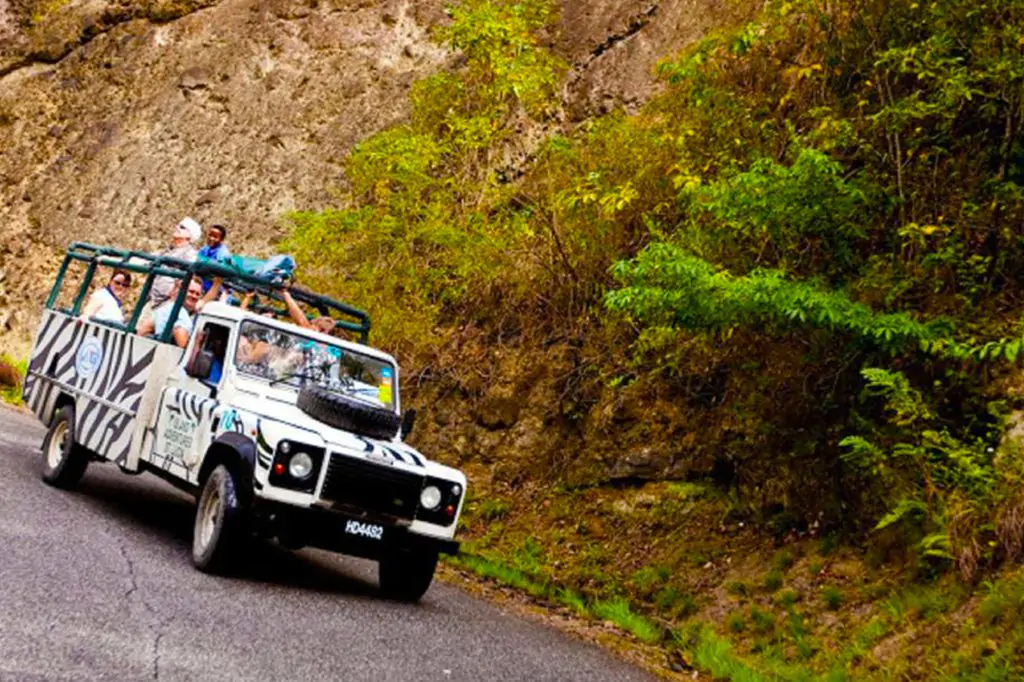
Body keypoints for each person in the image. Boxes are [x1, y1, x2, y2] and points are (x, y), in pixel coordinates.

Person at [138, 277, 221, 348]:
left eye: (197, 294)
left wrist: (217, 284)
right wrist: (197, 341)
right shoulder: (180, 314)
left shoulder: (171, 307)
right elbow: (183, 343)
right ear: (182, 292)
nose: (194, 296)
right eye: (191, 292)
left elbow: (203, 301)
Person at [148, 217, 201, 307]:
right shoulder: (167, 250)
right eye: (178, 225)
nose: (177, 228)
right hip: (152, 298)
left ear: (189, 236)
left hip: (167, 301)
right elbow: (147, 258)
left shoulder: (190, 253)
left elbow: (187, 275)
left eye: (182, 227)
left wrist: (173, 294)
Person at [197, 224, 231, 294]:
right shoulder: (204, 249)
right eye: (210, 235)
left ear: (221, 239)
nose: (211, 238)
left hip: (216, 291)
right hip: (202, 288)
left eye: (215, 237)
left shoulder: (223, 253)